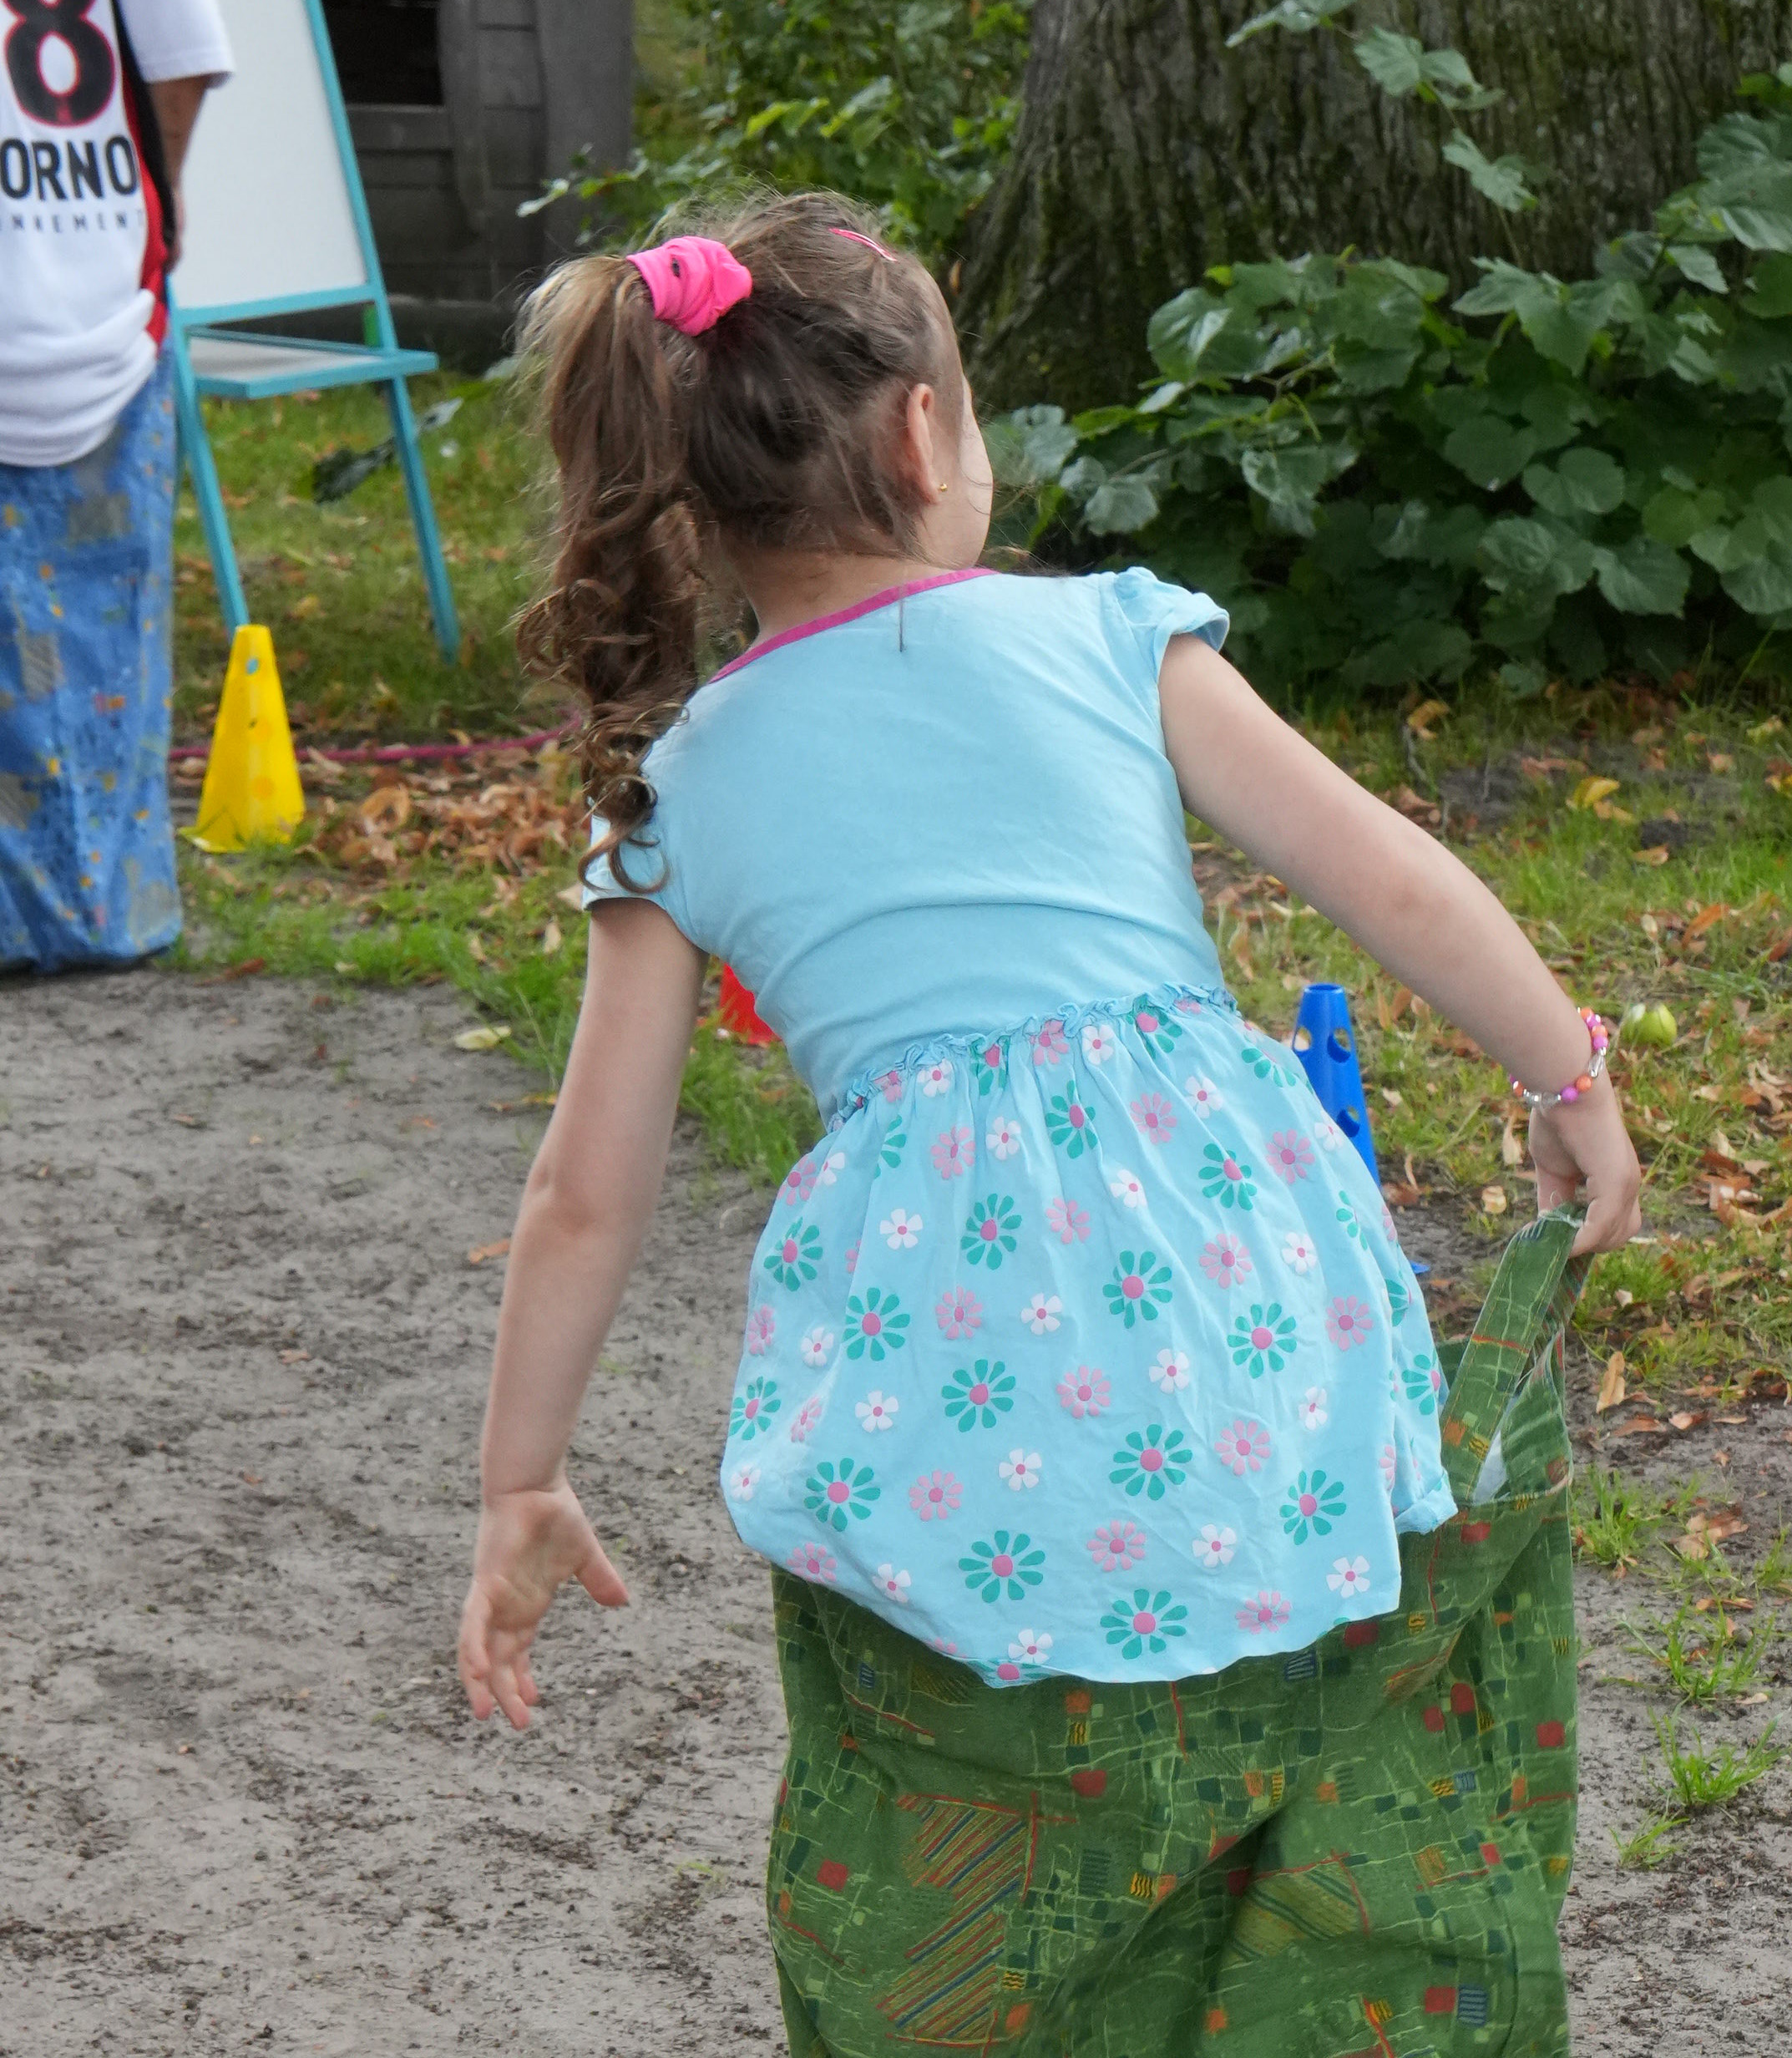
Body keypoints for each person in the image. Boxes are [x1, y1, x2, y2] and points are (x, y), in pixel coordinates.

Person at [458, 193, 1643, 2055]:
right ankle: (1294, 1942)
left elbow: (583, 1193)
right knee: (1308, 1674)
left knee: (987, 1746)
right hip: (1231, 1295)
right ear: (925, 433)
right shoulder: (1112, 638)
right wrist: (1565, 1079)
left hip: (953, 1370)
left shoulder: (673, 789)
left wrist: (516, 1477)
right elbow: (1387, 882)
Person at [0, 0, 234, 971]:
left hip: (90, 300)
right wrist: (159, 195)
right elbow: (184, 57)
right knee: (109, 644)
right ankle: (105, 910)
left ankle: (42, 918)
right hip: (112, 295)